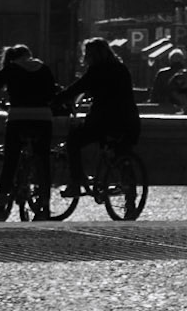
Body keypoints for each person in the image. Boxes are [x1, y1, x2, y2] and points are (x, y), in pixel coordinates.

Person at [57, 38, 142, 203]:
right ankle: (130, 196)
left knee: (74, 141)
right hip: (128, 122)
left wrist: (55, 100)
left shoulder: (96, 70)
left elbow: (76, 88)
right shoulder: (121, 68)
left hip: (103, 122)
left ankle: (75, 182)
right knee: (122, 153)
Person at [0, 43, 59, 213]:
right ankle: (45, 202)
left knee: (11, 160)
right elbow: (53, 92)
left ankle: (1, 202)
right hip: (42, 117)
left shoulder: (10, 69)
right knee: (43, 160)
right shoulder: (43, 68)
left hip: (18, 117)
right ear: (29, 55)